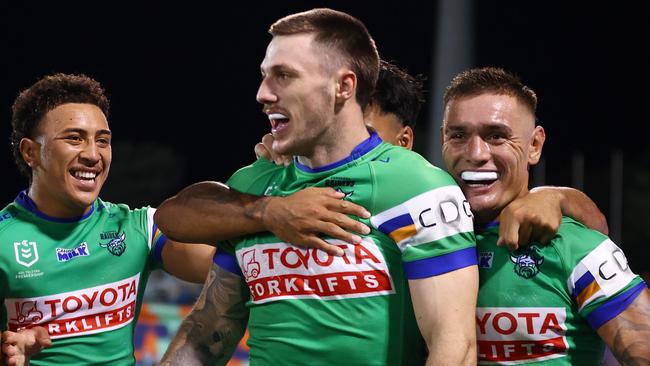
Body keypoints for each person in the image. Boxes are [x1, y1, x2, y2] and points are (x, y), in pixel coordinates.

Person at [157, 8, 479, 365]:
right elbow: (206, 333)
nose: (263, 94)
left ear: (343, 86)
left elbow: (455, 348)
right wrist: (270, 210)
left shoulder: (417, 186)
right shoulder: (252, 186)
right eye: (264, 77)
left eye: (284, 76)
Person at [0, 73, 369, 365]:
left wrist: (275, 182)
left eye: (102, 140)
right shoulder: (5, 239)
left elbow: (233, 267)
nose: (93, 155)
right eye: (74, 139)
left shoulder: (136, 229)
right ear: (32, 152)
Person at [441, 67, 650, 365]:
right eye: (459, 135)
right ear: (442, 140)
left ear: (534, 145)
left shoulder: (575, 245)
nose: (476, 153)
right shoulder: (414, 238)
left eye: (497, 136)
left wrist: (558, 195)